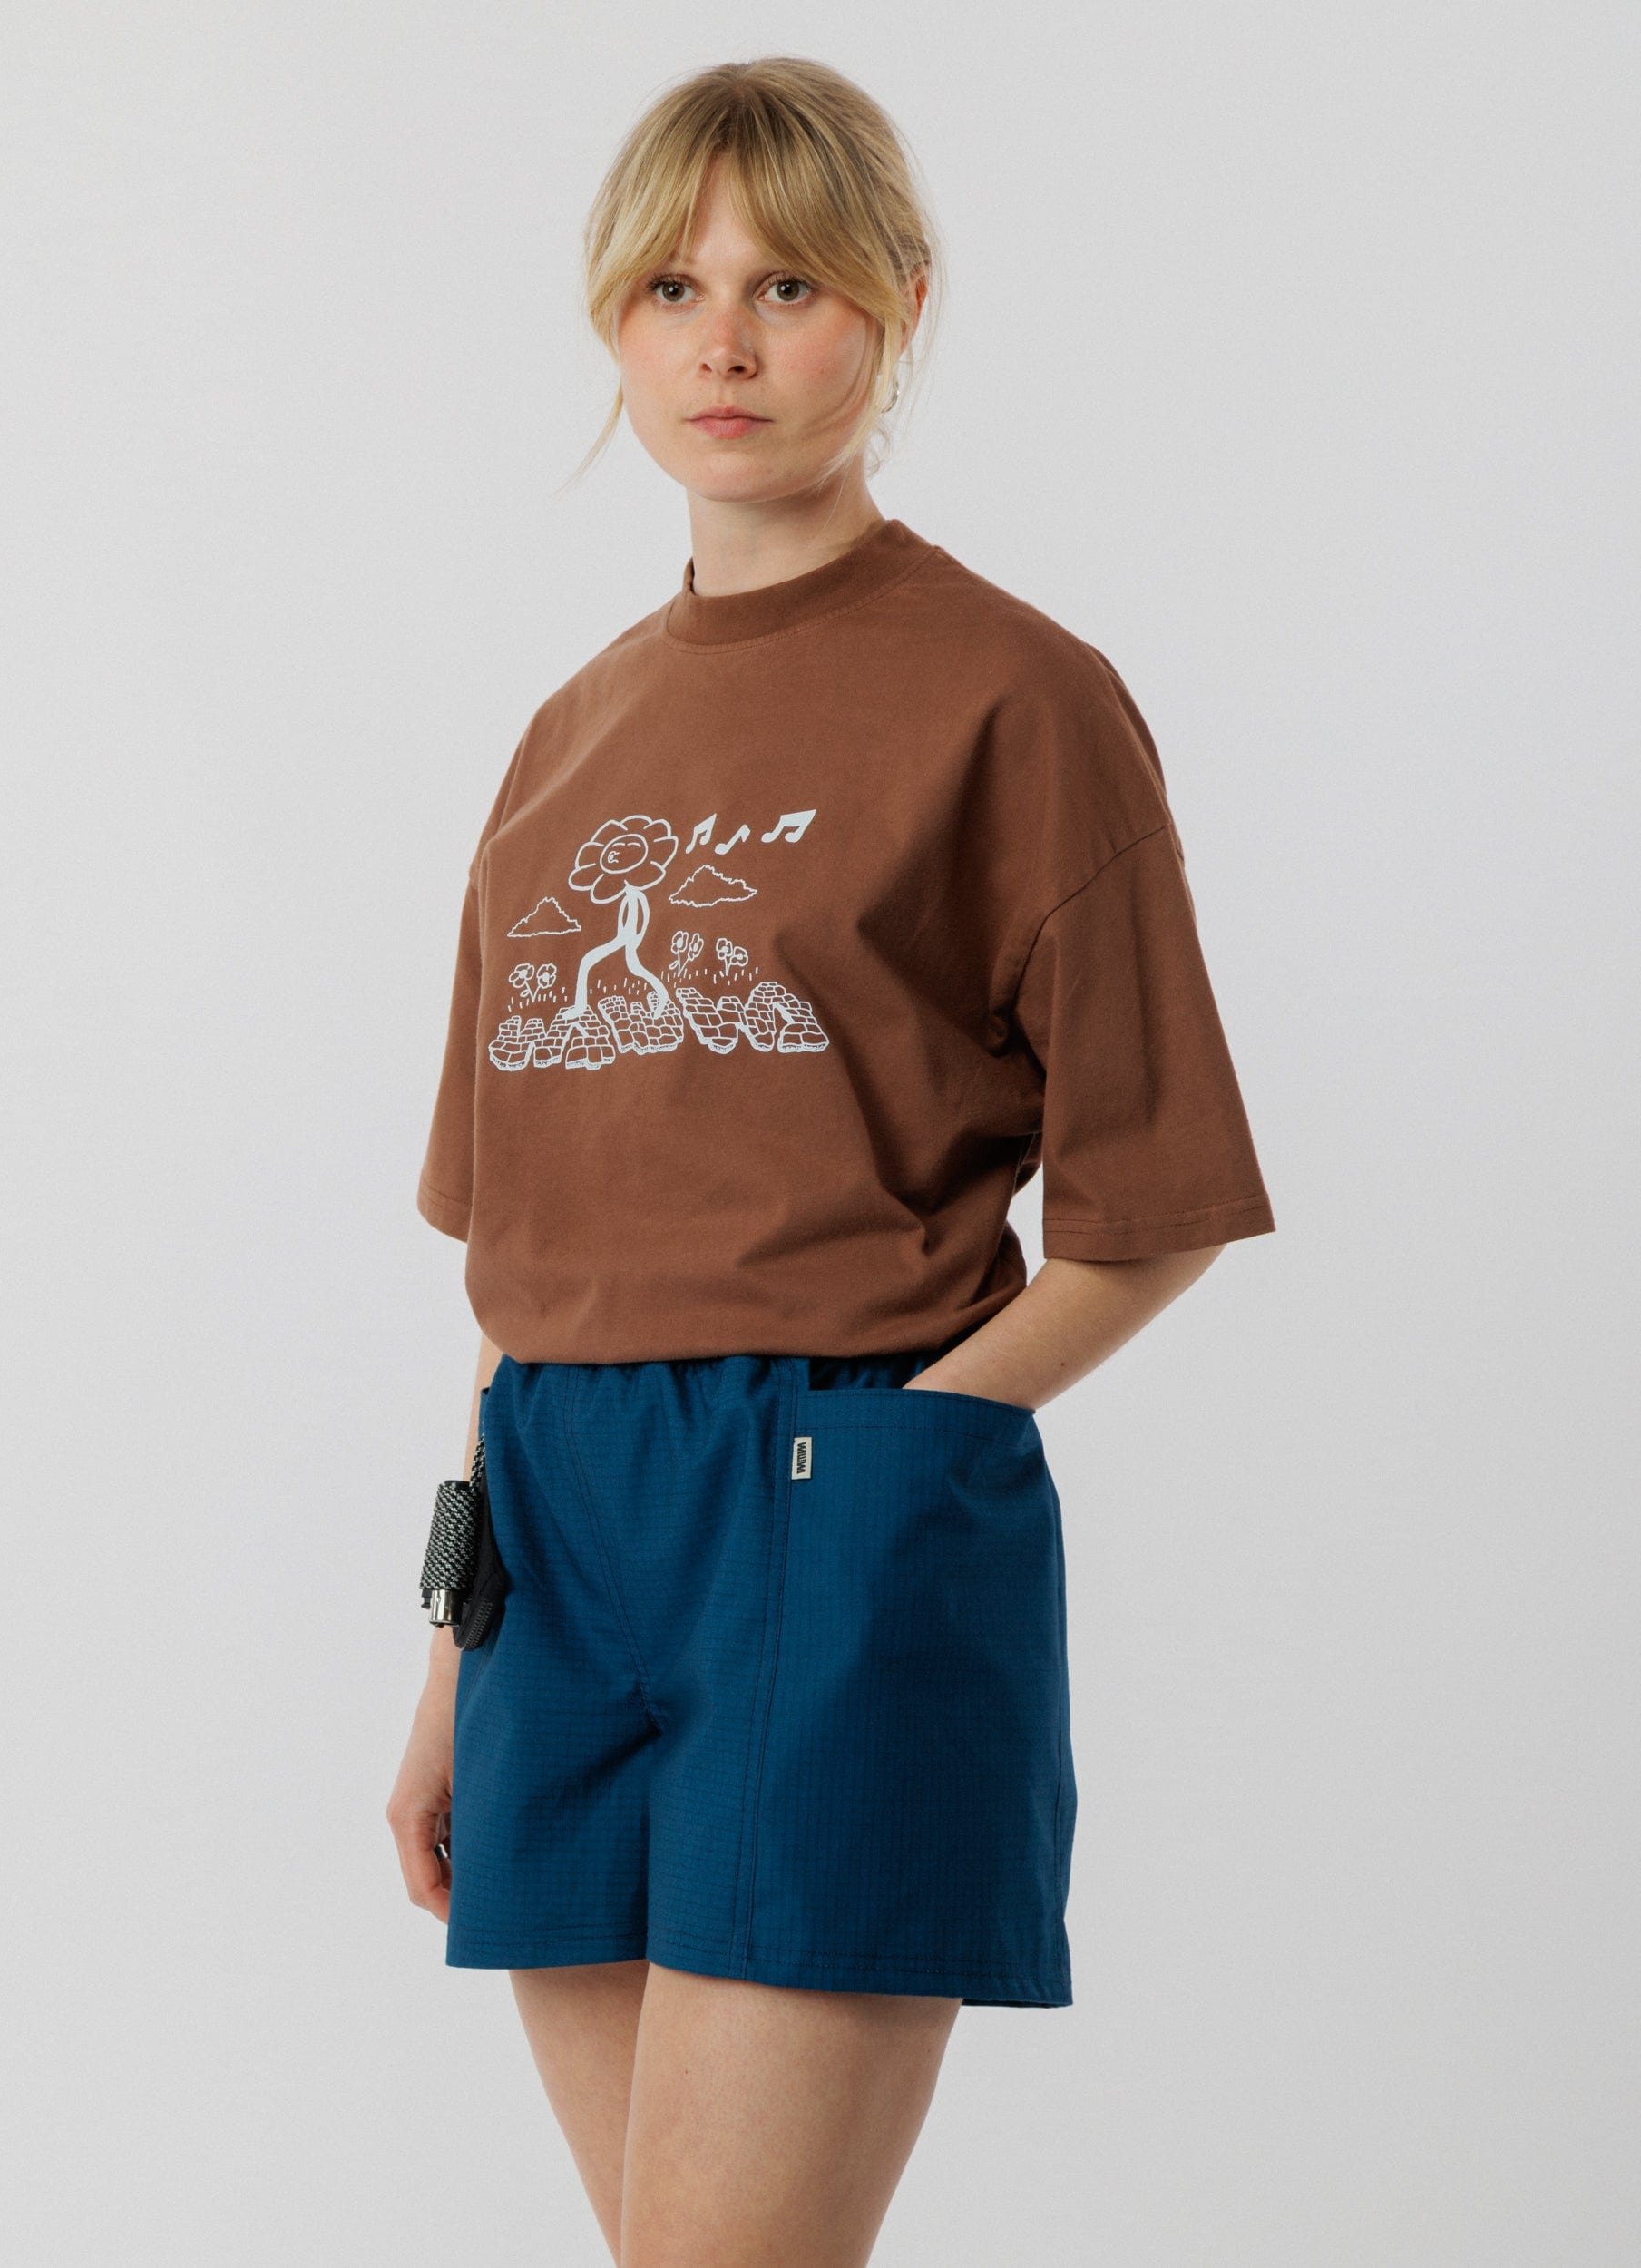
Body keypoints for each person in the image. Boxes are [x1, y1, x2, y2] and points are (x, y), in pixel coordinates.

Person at [387, 55, 1275, 2268]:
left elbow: (1149, 1210)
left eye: (786, 285)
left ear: (896, 303)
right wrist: (453, 1644)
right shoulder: (568, 734)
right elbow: (525, 1257)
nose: (723, 342)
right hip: (554, 1543)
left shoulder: (1011, 697)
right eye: (670, 288)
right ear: (610, 322)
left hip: (827, 1494)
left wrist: (878, 1454)